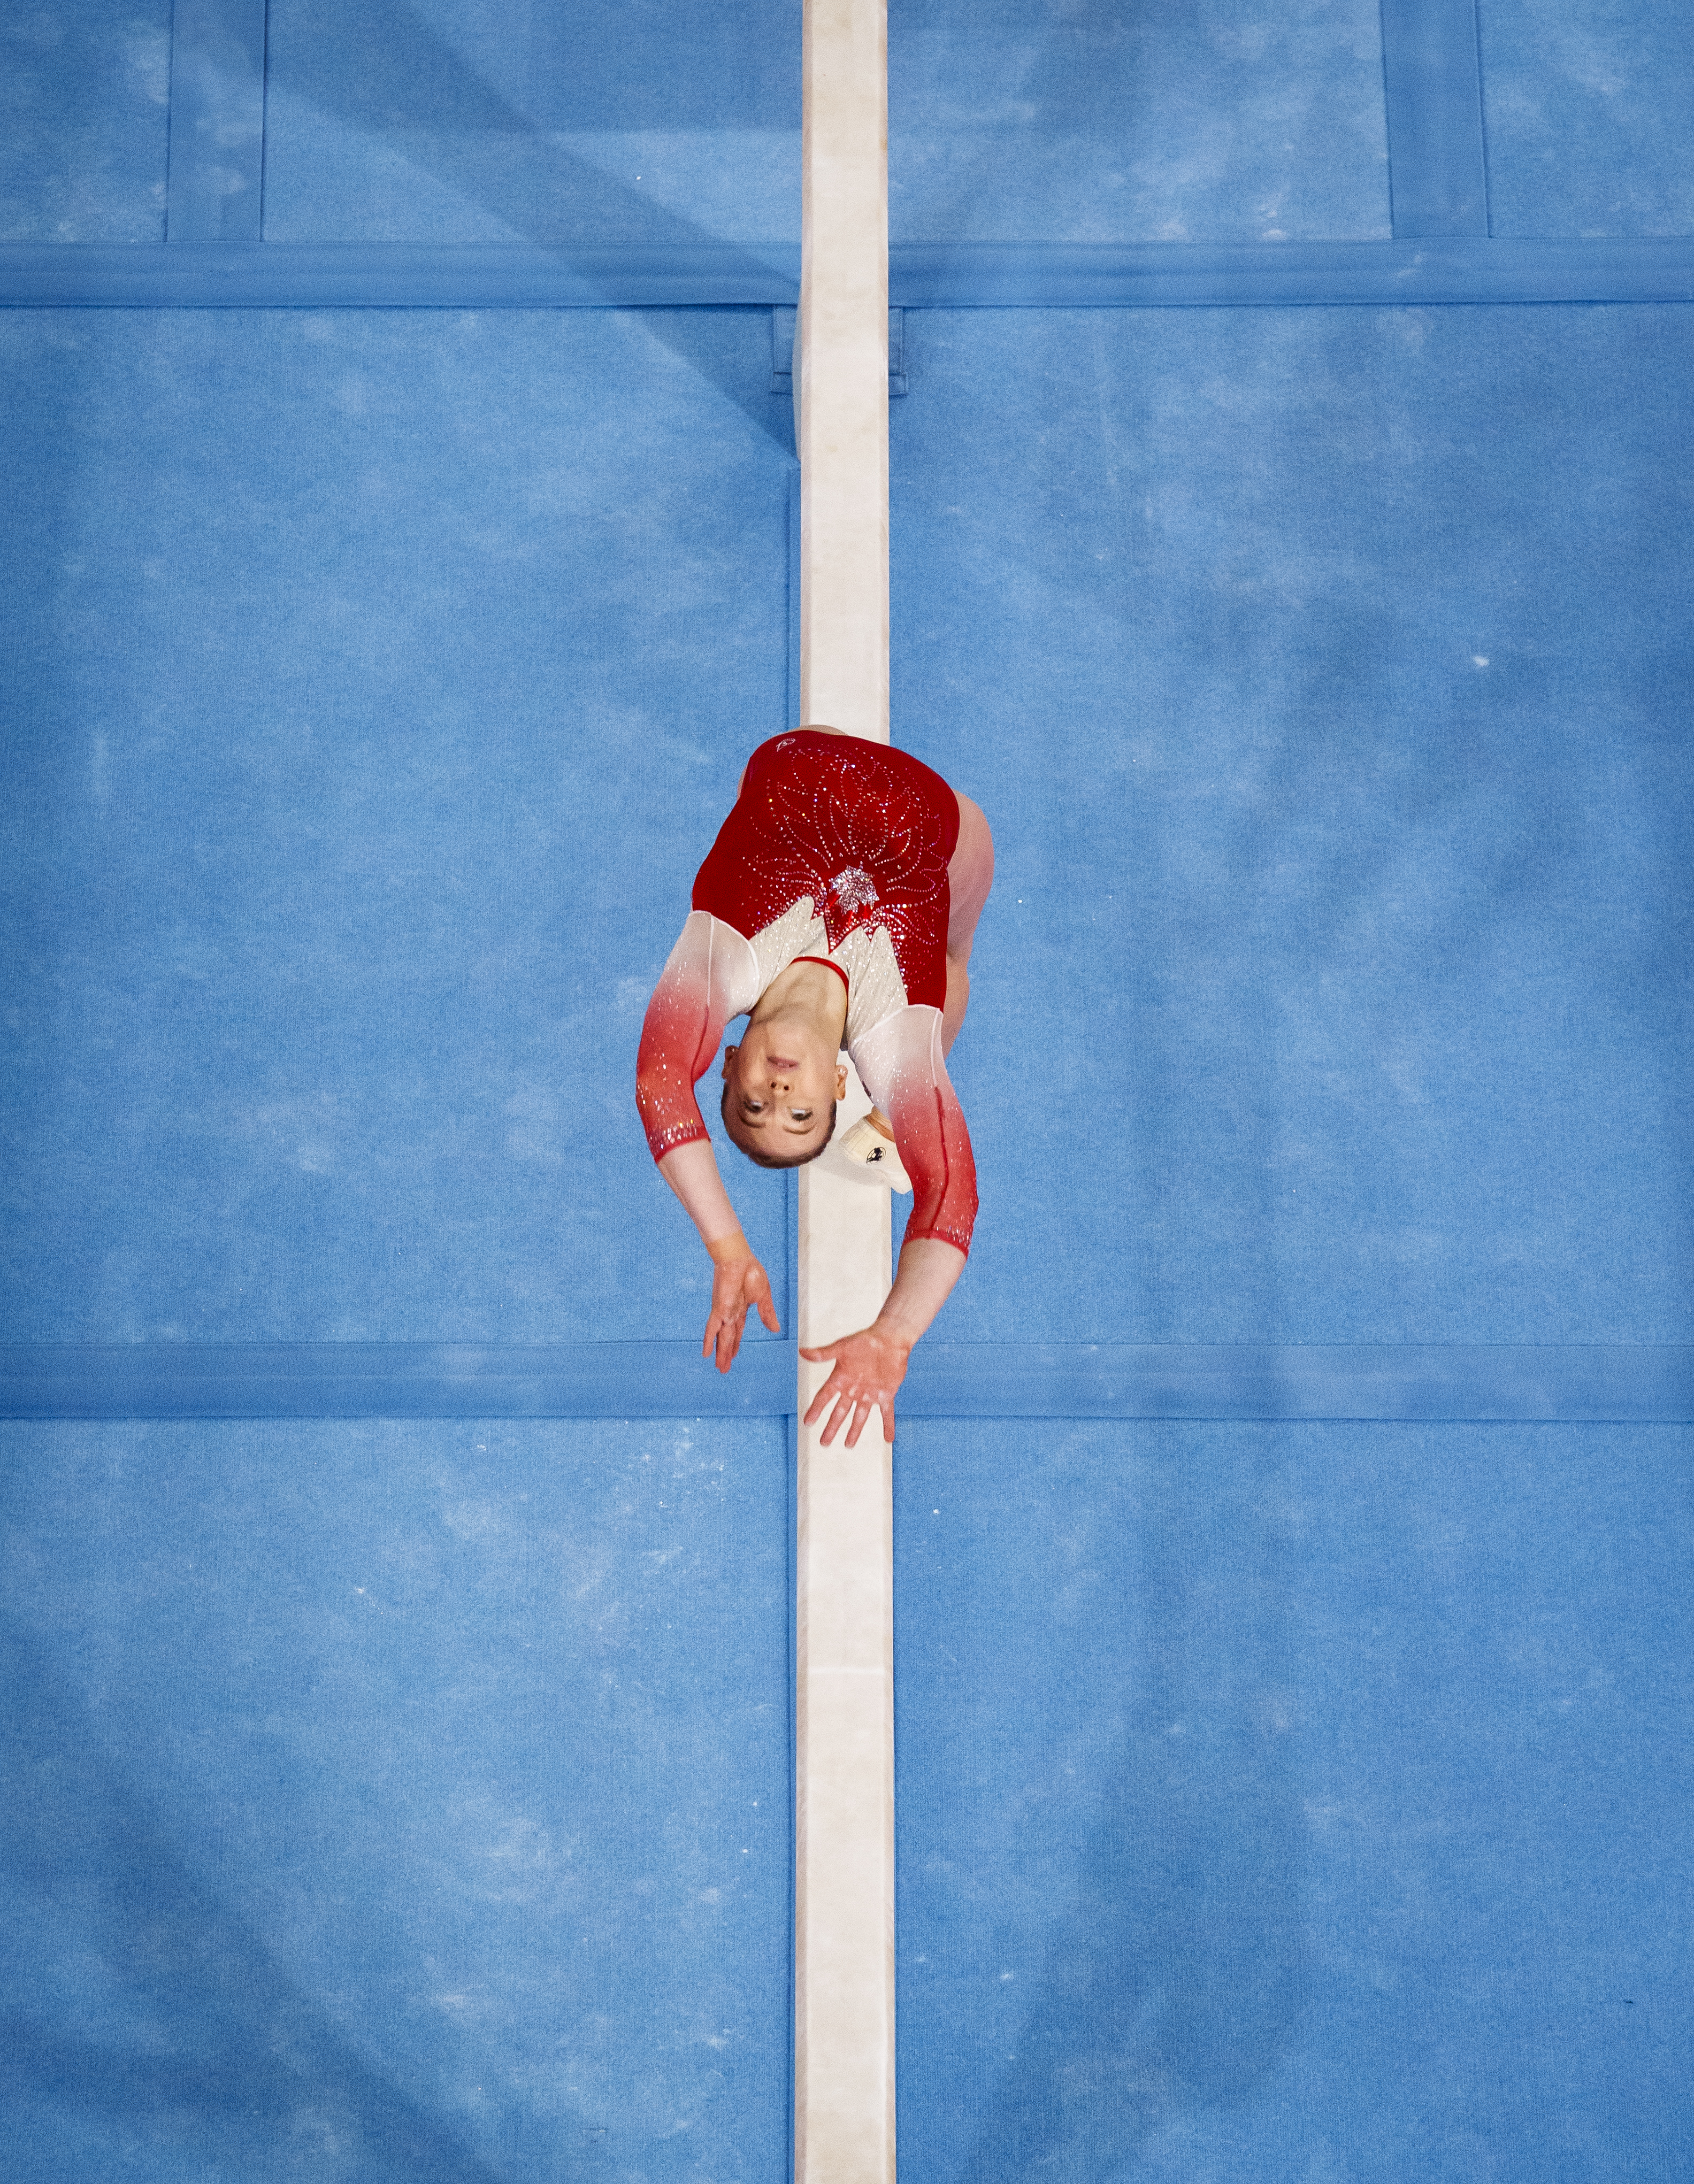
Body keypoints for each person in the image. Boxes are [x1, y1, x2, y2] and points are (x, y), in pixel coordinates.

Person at [635, 726, 993, 1448]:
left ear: (727, 1061)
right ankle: (893, 1123)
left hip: (801, 753)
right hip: (941, 818)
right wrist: (894, 1335)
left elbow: (659, 1082)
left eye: (752, 1105)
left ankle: (887, 1126)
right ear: (838, 1081)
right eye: (800, 1114)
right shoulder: (891, 1034)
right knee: (952, 965)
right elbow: (953, 1196)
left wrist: (728, 1247)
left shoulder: (722, 963)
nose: (776, 1093)